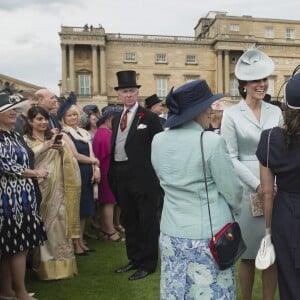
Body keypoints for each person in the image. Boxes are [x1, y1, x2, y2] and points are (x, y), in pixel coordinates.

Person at [151, 79, 243, 299]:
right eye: (208, 106)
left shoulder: (157, 140)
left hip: (170, 232)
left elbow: (162, 178)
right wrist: (236, 209)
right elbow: (232, 191)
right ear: (198, 111)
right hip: (208, 236)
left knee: (176, 291)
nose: (211, 110)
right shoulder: (211, 141)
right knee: (209, 292)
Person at [220, 48, 283, 300]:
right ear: (243, 84)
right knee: (247, 255)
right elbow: (229, 157)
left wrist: (276, 183)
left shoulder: (275, 112)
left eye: (265, 78)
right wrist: (258, 184)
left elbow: (282, 150)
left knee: (273, 251)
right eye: (256, 80)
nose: (262, 84)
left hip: (277, 189)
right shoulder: (232, 114)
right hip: (247, 193)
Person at [108, 70, 163, 280]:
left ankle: (148, 264)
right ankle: (134, 258)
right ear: (119, 95)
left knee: (146, 219)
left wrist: (157, 175)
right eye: (124, 91)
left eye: (131, 91)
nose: (128, 95)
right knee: (129, 218)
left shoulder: (148, 117)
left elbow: (159, 146)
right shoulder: (115, 119)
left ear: (137, 93)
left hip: (143, 176)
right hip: (120, 173)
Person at [256, 71, 300, 299]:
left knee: (289, 282)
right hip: (287, 208)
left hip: (286, 215)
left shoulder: (271, 138)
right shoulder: (271, 138)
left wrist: (268, 231)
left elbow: (266, 192)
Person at [23, 106, 80, 280]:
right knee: (43, 227)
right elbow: (24, 161)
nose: (43, 122)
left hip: (59, 187)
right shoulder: (25, 140)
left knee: (60, 224)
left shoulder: (54, 137)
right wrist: (44, 148)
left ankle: (64, 267)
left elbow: (70, 160)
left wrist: (61, 149)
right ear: (30, 121)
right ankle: (44, 269)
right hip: (38, 188)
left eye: (45, 119)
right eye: (39, 119)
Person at [0, 92, 47, 300]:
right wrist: (36, 173)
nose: (13, 112)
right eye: (6, 109)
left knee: (14, 247)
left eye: (14, 108)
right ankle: (20, 293)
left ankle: (8, 291)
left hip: (25, 196)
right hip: (7, 200)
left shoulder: (16, 134)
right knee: (15, 247)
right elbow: (6, 165)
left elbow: (27, 157)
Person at [57, 92, 100, 256]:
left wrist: (95, 168)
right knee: (77, 210)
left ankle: (81, 241)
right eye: (70, 115)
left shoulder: (83, 133)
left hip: (87, 173)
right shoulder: (65, 134)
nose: (73, 117)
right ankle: (75, 244)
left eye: (75, 114)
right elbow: (75, 155)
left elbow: (90, 152)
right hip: (76, 174)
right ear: (64, 117)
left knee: (86, 210)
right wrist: (94, 162)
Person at [93, 105, 125, 242]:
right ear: (110, 118)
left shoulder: (103, 132)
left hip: (106, 170)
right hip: (106, 171)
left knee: (108, 202)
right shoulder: (104, 133)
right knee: (108, 202)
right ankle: (109, 230)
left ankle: (107, 229)